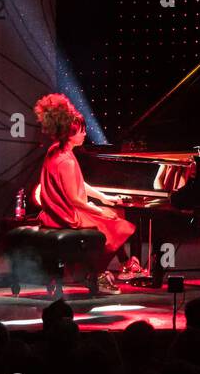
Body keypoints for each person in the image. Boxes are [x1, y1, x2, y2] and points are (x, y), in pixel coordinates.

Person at [33, 93, 140, 294]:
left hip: (57, 211)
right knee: (117, 225)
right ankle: (99, 274)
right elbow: (74, 198)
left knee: (112, 214)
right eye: (82, 131)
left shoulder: (58, 150)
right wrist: (100, 212)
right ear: (69, 133)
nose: (85, 134)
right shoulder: (64, 159)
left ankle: (117, 267)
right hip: (64, 215)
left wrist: (103, 198)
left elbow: (78, 183)